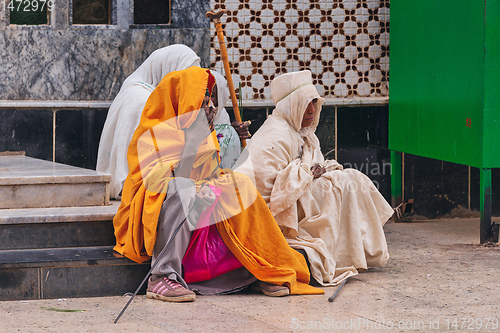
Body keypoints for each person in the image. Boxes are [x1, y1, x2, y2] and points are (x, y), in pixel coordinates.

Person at [113, 66, 323, 302]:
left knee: (239, 185)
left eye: (210, 101)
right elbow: (157, 182)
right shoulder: (154, 131)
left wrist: (212, 185)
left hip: (200, 207)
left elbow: (210, 172)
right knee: (181, 190)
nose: (210, 108)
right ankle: (161, 277)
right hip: (159, 211)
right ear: (182, 100)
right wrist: (192, 147)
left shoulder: (202, 128)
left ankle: (255, 268)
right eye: (203, 101)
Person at [234, 70, 394, 286]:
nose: (312, 110)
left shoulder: (303, 133)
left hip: (296, 197)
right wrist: (308, 173)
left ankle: (356, 252)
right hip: (274, 213)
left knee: (349, 178)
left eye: (314, 102)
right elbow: (270, 194)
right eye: (305, 104)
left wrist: (317, 171)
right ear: (291, 105)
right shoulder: (275, 134)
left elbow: (312, 164)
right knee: (343, 184)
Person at [96, 45, 250, 198]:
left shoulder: (192, 107)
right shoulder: (140, 99)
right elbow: (167, 176)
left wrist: (229, 132)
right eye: (187, 78)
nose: (190, 86)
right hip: (152, 186)